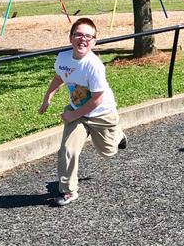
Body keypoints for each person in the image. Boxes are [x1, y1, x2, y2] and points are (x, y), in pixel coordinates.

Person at [39, 17, 127, 206]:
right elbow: (59, 77)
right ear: (71, 38)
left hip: (102, 114)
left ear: (94, 42)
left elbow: (97, 99)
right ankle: (68, 191)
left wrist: (72, 115)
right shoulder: (63, 58)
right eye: (78, 34)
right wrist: (48, 97)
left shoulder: (94, 66)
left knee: (108, 152)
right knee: (68, 149)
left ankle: (118, 135)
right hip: (77, 111)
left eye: (88, 36)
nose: (83, 39)